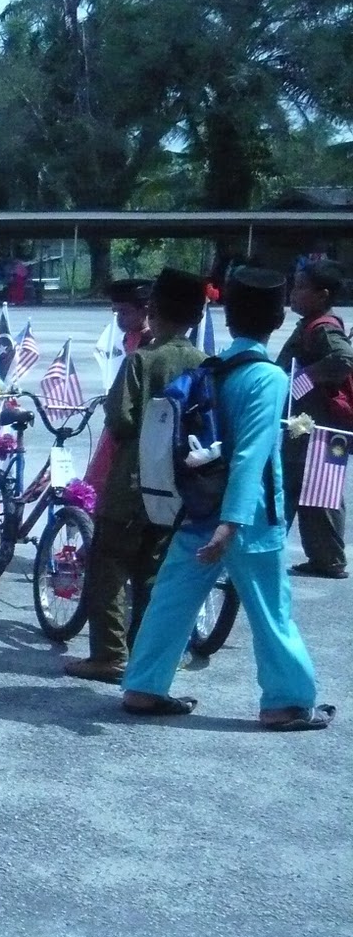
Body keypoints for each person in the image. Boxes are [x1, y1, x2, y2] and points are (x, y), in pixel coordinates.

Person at [121, 267, 333, 730]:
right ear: (276, 321)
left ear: (229, 317)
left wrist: (212, 519)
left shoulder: (211, 369)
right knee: (271, 610)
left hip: (198, 506)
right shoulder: (267, 378)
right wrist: (231, 523)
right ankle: (287, 702)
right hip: (249, 519)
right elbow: (252, 456)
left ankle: (143, 686)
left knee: (171, 599)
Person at [64, 268, 208, 682]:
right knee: (153, 574)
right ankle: (147, 654)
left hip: (131, 486)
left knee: (107, 569)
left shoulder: (141, 361)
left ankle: (109, 654)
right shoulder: (205, 364)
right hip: (178, 490)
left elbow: (121, 419)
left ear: (155, 311)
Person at [276, 258, 350, 579]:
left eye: (301, 287)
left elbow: (344, 360)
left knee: (315, 491)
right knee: (312, 492)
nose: (293, 292)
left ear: (321, 295)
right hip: (314, 427)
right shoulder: (312, 324)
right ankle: (325, 559)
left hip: (318, 428)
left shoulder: (322, 328)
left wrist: (305, 377)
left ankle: (329, 560)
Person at [82, 278, 153, 494]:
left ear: (145, 311)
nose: (120, 319)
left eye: (125, 312)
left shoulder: (148, 341)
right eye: (116, 312)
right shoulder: (128, 338)